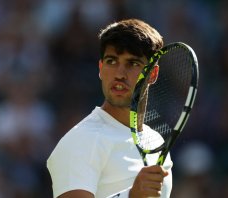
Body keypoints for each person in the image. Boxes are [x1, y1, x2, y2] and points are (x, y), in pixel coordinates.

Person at [47, 18, 173, 198]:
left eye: (133, 63)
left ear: (153, 73)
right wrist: (131, 196)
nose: (120, 74)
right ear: (100, 67)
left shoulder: (156, 142)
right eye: (112, 61)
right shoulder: (81, 141)